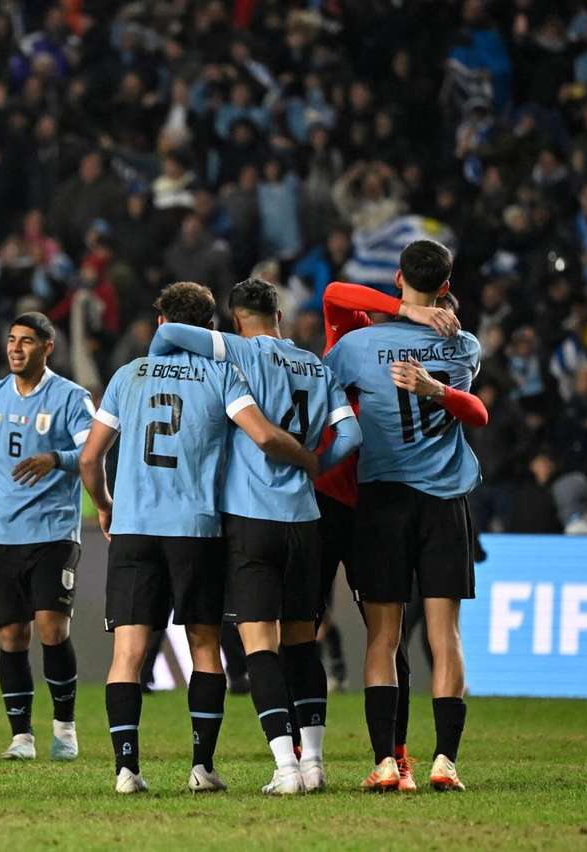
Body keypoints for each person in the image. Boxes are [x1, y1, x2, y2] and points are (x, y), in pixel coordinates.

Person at [80, 281, 334, 795]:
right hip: (198, 528)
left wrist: (105, 505)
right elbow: (261, 434)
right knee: (204, 647)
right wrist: (310, 461)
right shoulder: (222, 372)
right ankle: (202, 767)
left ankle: (126, 770)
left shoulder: (128, 375)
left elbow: (89, 458)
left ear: (160, 323)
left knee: (127, 651)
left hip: (134, 527)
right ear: (212, 326)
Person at [146, 277, 363, 795]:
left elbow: (171, 332)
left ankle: (284, 770)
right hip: (306, 520)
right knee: (302, 642)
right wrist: (315, 468)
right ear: (280, 316)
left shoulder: (236, 349)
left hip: (251, 518)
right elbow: (351, 434)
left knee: (258, 644)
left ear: (237, 319)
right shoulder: (314, 363)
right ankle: (312, 763)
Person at [314, 280, 485, 791]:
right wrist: (437, 385)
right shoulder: (462, 346)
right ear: (446, 296)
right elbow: (477, 413)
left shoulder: (357, 346)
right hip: (439, 501)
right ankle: (444, 760)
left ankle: (386, 761)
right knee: (444, 632)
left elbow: (334, 296)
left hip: (378, 498)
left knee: (383, 636)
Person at [0, 312, 92, 762]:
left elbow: (94, 448)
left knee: (50, 628)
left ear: (47, 348)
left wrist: (55, 459)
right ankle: (21, 736)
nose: (15, 348)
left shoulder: (70, 397)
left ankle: (65, 729)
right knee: (11, 634)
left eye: (26, 341)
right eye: (11, 340)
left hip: (54, 530)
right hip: (2, 533)